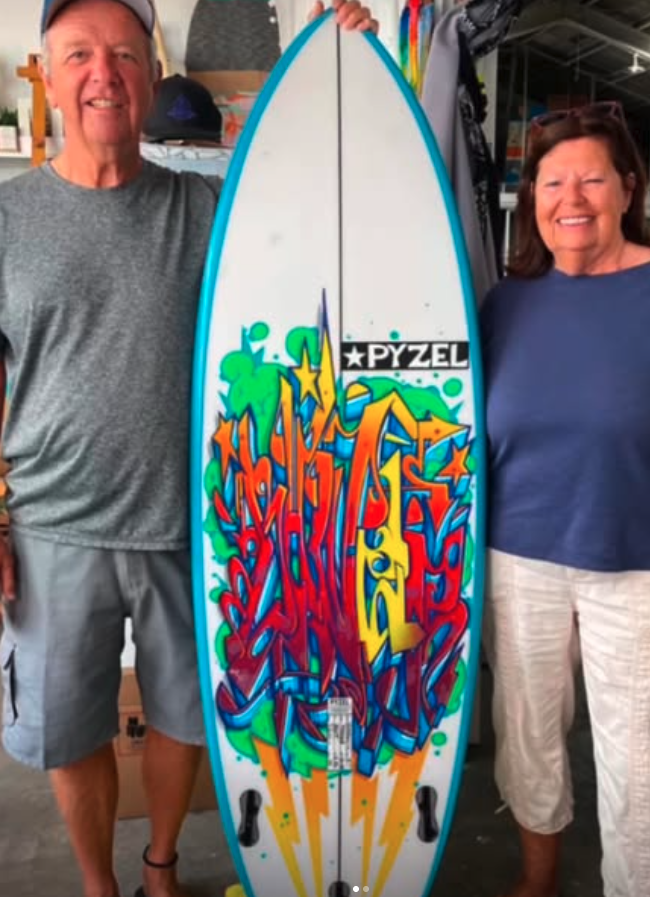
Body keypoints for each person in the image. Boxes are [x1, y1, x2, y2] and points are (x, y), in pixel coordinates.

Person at [0, 2, 377, 897]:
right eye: (80, 55)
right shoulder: (8, 219)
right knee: (72, 730)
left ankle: (160, 865)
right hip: (54, 527)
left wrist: (347, 65)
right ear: (47, 76)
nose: (104, 74)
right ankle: (99, 885)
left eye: (125, 56)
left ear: (150, 77)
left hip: (197, 525)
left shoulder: (212, 208)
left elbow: (328, 205)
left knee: (188, 716)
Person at [481, 100, 650, 897]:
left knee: (638, 758)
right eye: (553, 181)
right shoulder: (505, 305)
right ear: (530, 197)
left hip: (635, 562)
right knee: (527, 735)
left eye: (591, 179)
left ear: (626, 188)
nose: (571, 199)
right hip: (520, 558)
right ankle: (537, 879)